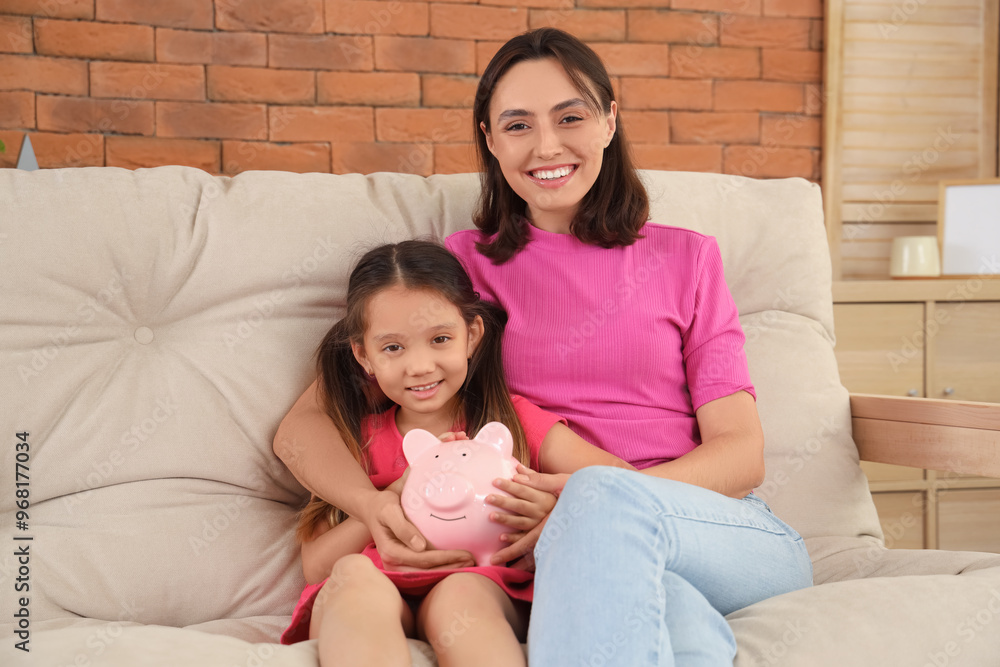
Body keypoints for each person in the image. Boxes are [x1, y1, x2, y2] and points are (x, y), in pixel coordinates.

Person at [275, 27, 813, 666]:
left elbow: (741, 453)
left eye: (571, 117)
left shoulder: (688, 257)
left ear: (610, 121)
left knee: (602, 501)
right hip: (574, 559)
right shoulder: (462, 272)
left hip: (718, 531)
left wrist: (587, 506)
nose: (547, 146)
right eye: (519, 125)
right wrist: (371, 504)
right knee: (682, 629)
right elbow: (303, 425)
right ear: (490, 140)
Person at [278, 240, 632, 667]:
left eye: (440, 338)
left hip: (481, 581)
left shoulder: (515, 422)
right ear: (363, 356)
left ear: (472, 336)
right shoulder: (354, 441)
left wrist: (558, 509)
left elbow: (621, 484)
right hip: (379, 582)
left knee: (460, 592)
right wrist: (388, 499)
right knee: (351, 576)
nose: (420, 366)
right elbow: (316, 566)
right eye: (393, 348)